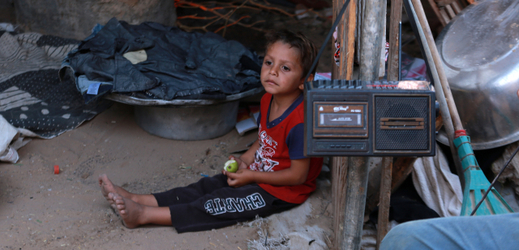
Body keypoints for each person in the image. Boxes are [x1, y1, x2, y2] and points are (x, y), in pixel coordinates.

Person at [98, 29, 323, 233]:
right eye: (268, 63)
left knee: (220, 201)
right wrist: (245, 160)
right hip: (259, 173)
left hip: (281, 192)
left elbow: (298, 176)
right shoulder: (267, 99)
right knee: (207, 186)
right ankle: (137, 198)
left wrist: (252, 175)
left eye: (285, 68)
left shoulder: (300, 122)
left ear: (304, 81)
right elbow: (265, 139)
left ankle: (144, 215)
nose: (272, 72)